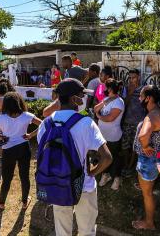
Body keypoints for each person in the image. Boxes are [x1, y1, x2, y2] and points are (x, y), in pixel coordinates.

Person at [36, 78, 112, 236]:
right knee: (87, 230)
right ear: (73, 99)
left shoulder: (46, 123)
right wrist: (91, 173)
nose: (84, 98)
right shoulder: (86, 123)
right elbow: (107, 157)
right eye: (81, 95)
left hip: (57, 184)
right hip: (83, 185)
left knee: (62, 230)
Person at [0, 92, 42, 210]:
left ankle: (1, 203)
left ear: (5, 104)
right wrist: (31, 135)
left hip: (8, 150)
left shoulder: (0, 118)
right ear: (19, 102)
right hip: (24, 148)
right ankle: (24, 202)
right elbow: (43, 124)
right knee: (24, 176)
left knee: (7, 178)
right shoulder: (27, 115)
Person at [132, 85, 160, 230]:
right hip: (158, 157)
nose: (140, 99)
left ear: (148, 98)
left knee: (147, 194)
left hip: (149, 160)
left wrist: (145, 146)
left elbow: (143, 136)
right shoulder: (159, 112)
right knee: (148, 190)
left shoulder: (152, 116)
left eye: (141, 96)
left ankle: (149, 223)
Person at [95, 79, 125, 190]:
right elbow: (95, 109)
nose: (104, 89)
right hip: (103, 135)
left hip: (113, 135)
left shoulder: (119, 102)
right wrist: (104, 102)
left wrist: (99, 116)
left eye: (106, 87)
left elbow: (110, 118)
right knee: (104, 156)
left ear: (110, 89)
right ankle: (106, 175)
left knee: (115, 157)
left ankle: (117, 178)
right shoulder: (106, 99)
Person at [121, 69, 146, 177]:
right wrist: (130, 93)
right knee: (125, 146)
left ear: (139, 77)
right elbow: (123, 105)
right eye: (130, 78)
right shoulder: (126, 89)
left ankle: (131, 167)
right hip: (127, 122)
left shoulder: (144, 89)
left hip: (138, 124)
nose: (131, 80)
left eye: (134, 77)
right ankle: (126, 165)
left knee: (134, 147)